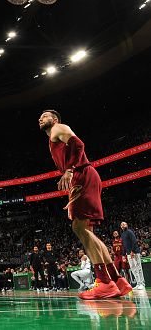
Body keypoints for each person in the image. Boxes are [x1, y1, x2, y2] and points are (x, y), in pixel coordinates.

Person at [39, 110, 132, 299]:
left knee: (79, 227)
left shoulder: (58, 128)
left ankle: (104, 283)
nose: (41, 118)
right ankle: (116, 280)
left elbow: (78, 144)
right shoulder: (53, 138)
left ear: (55, 119)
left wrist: (70, 170)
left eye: (45, 115)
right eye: (40, 117)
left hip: (82, 174)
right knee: (87, 232)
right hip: (85, 175)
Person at [121, 222, 145, 290]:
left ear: (127, 225)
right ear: (121, 227)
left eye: (124, 224)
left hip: (134, 253)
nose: (123, 225)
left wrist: (133, 251)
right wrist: (123, 255)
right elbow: (124, 245)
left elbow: (134, 241)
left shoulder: (130, 232)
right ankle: (138, 283)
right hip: (128, 254)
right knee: (133, 268)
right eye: (122, 224)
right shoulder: (122, 234)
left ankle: (142, 283)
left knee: (138, 267)